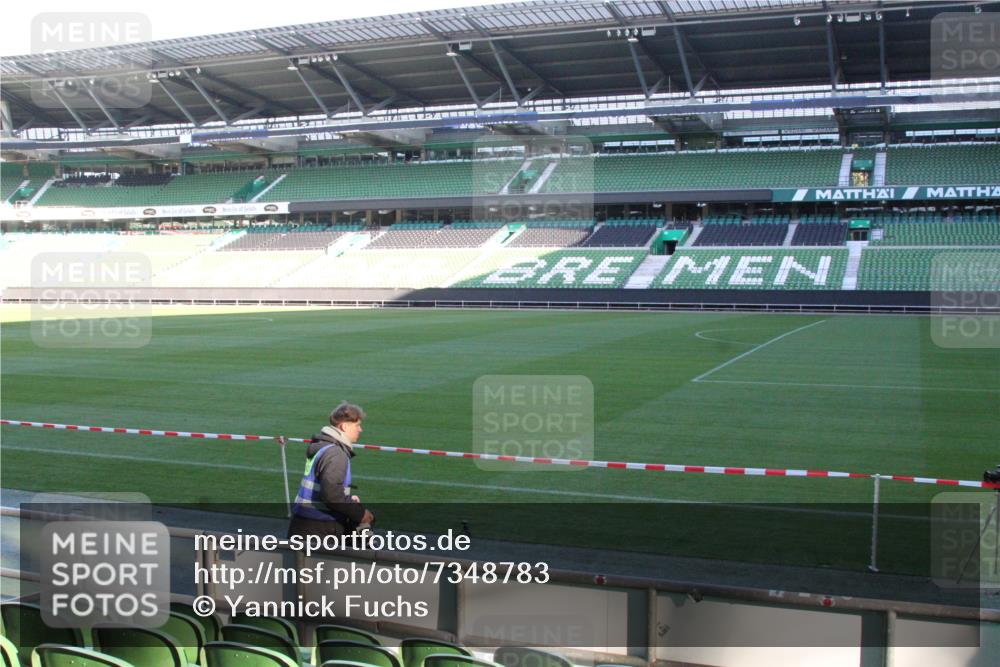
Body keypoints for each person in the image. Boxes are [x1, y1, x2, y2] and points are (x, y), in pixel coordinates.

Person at [287, 401, 375, 538]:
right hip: (319, 526)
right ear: (344, 426)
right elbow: (331, 495)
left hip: (304, 521)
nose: (360, 429)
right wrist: (361, 514)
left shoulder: (323, 447)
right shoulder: (336, 454)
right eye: (357, 425)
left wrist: (348, 499)